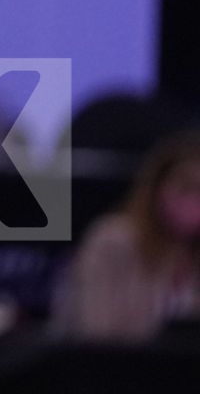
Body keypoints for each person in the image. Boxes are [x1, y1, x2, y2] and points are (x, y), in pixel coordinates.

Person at [55, 130, 200, 341]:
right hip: (109, 368)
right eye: (187, 187)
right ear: (157, 188)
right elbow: (97, 332)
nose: (194, 200)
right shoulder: (112, 241)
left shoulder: (191, 254)